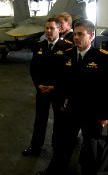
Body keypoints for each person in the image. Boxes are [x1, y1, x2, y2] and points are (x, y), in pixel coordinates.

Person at [38, 19, 108, 175]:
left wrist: (105, 115)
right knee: (63, 144)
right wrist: (57, 98)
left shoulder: (102, 58)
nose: (76, 38)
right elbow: (62, 82)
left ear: (91, 35)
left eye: (81, 34)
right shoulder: (68, 55)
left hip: (92, 113)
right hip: (71, 110)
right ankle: (55, 171)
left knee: (90, 147)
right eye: (75, 34)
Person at [22, 18, 72, 157]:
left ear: (59, 29)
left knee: (59, 122)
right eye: (46, 28)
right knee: (40, 120)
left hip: (58, 91)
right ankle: (35, 147)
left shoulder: (67, 47)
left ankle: (57, 149)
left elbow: (67, 72)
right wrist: (38, 85)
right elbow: (33, 69)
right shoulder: (39, 45)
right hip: (42, 90)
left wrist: (54, 86)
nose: (48, 31)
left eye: (51, 28)